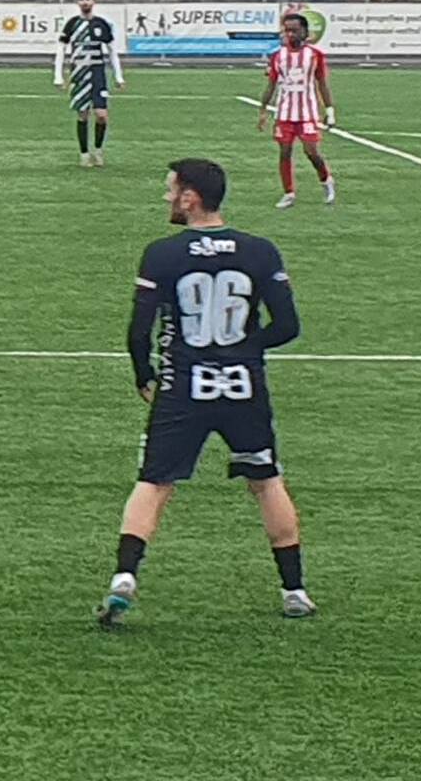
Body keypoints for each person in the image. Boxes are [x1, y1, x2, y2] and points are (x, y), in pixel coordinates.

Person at [97, 158, 314, 625]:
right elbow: (288, 326)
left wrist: (144, 375)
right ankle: (294, 589)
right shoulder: (260, 251)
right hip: (243, 387)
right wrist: (244, 349)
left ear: (190, 197)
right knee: (266, 479)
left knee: (155, 482)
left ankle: (124, 577)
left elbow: (138, 332)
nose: (166, 198)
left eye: (171, 189)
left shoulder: (162, 254)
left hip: (183, 385)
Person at [256, 12, 337, 209]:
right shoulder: (277, 57)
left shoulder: (314, 55)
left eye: (294, 30)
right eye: (287, 30)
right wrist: (263, 110)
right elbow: (271, 85)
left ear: (305, 32)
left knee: (311, 152)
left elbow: (322, 84)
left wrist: (330, 111)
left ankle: (326, 180)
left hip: (307, 113)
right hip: (284, 114)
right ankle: (289, 193)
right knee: (285, 152)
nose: (290, 34)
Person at [54, 0, 123, 167]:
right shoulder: (72, 24)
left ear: (94, 2)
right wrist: (58, 76)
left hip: (98, 72)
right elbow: (60, 49)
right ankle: (84, 154)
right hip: (79, 72)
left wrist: (118, 76)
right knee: (83, 114)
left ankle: (98, 151)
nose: (85, 2)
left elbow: (112, 51)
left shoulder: (101, 24)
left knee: (101, 115)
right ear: (77, 3)